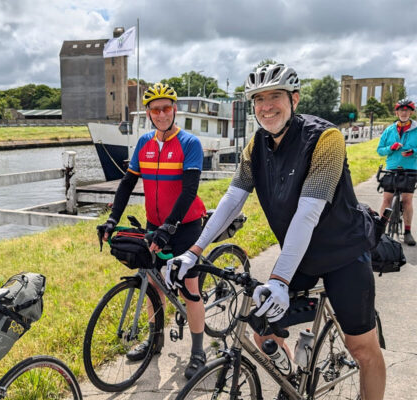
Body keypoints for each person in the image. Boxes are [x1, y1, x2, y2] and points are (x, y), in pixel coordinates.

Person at [167, 63, 386, 399]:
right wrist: (193, 251)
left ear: (294, 99)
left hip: (342, 252)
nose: (266, 106)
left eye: (275, 96)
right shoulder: (255, 146)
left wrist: (280, 280)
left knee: (362, 349)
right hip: (300, 255)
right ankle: (293, 384)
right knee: (263, 331)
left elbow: (308, 212)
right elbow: (232, 200)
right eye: (258, 99)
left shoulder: (326, 139)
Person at [97, 82, 208, 379]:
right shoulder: (145, 143)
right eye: (155, 109)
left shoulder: (189, 143)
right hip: (153, 225)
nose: (161, 114)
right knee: (152, 284)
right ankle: (154, 340)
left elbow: (189, 192)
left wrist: (168, 228)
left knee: (190, 290)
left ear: (175, 110)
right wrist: (112, 219)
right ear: (148, 113)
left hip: (185, 227)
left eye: (166, 108)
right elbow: (127, 184)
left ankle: (198, 351)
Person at [377, 98, 417, 245]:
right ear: (397, 112)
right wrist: (390, 148)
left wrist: (413, 151)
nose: (404, 112)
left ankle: (407, 232)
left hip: (410, 169)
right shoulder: (389, 130)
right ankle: (380, 230)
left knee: (407, 201)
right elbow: (379, 150)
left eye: (407, 110)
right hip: (392, 168)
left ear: (411, 112)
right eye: (401, 110)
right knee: (387, 200)